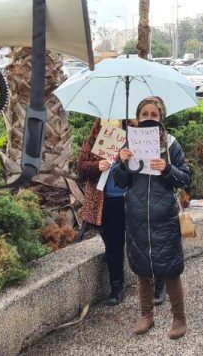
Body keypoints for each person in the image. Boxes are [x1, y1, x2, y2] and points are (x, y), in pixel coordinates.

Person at [111, 97, 192, 340]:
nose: (149, 117)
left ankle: (179, 318)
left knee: (170, 269)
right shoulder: (129, 143)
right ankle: (146, 315)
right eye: (144, 113)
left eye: (153, 114)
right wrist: (122, 163)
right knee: (142, 269)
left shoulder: (171, 144)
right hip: (137, 216)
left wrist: (166, 169)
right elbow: (120, 181)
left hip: (164, 216)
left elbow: (185, 178)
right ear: (138, 117)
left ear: (161, 117)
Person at [76, 119, 129, 306]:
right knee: (113, 243)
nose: (113, 120)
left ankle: (154, 282)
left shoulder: (132, 137)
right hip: (107, 200)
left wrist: (126, 159)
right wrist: (96, 166)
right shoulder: (93, 139)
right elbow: (80, 166)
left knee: (139, 241)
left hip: (131, 198)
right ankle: (117, 285)